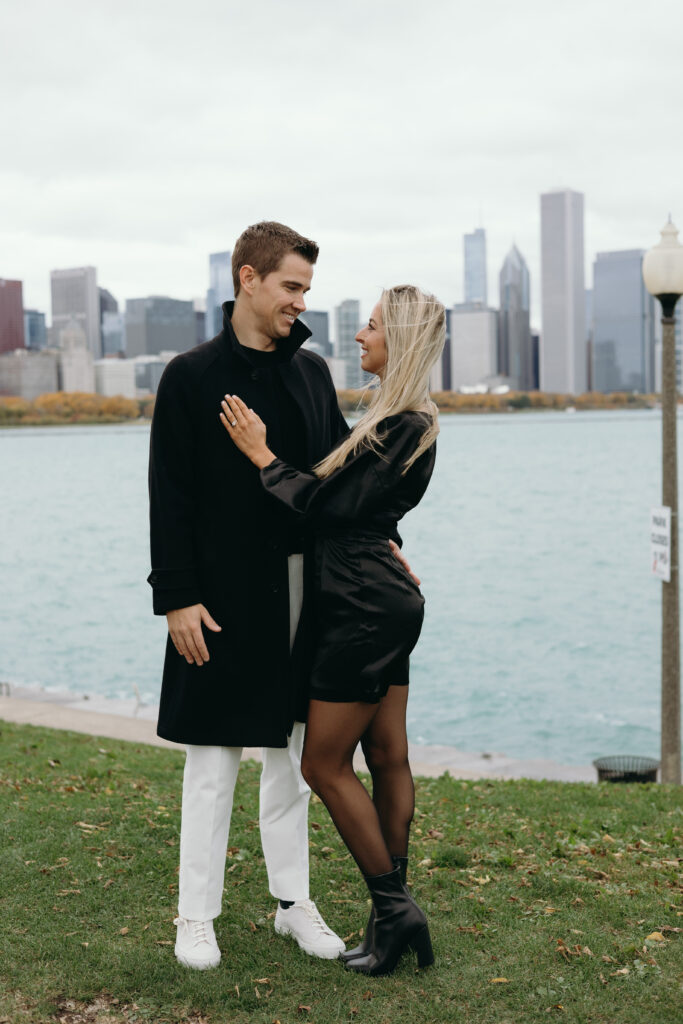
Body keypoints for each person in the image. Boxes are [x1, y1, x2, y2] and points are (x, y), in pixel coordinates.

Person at [220, 283, 446, 977]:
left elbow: (322, 508)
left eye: (371, 326)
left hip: (358, 607)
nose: (359, 335)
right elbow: (366, 509)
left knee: (322, 763)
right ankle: (391, 917)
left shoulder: (403, 421)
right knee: (386, 755)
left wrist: (261, 455)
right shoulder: (401, 417)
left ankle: (394, 906)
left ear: (398, 340)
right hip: (380, 595)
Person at [147, 221, 353, 969]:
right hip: (217, 597)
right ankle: (194, 916)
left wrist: (376, 549)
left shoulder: (312, 375)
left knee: (296, 758)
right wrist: (176, 598)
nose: (300, 301)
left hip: (305, 592)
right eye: (291, 286)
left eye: (305, 288)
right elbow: (168, 495)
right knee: (211, 762)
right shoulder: (190, 375)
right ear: (248, 278)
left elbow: (334, 483)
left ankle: (292, 904)